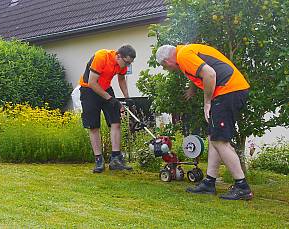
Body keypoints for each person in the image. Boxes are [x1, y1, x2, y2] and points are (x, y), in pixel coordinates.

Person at [155, 44, 253, 200]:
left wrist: (207, 101)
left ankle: (242, 187)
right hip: (230, 90)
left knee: (221, 141)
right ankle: (209, 182)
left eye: (165, 67)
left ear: (166, 61)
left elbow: (210, 74)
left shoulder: (183, 55)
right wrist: (193, 88)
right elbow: (201, 71)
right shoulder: (186, 52)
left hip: (227, 91)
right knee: (213, 138)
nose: (169, 69)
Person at [79, 45, 136, 173]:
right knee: (94, 126)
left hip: (105, 88)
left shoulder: (122, 65)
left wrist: (127, 98)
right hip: (89, 90)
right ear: (118, 56)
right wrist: (110, 99)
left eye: (130, 63)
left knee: (115, 122)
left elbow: (121, 79)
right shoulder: (102, 56)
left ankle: (115, 159)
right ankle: (99, 160)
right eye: (126, 62)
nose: (126, 66)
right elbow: (92, 82)